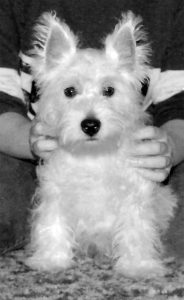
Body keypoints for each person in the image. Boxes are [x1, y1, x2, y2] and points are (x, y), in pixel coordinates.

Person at [0, 0, 184, 251]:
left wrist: (171, 145)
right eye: (72, 91)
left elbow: (179, 104)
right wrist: (29, 140)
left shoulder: (170, 7)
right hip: (24, 146)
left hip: (148, 153)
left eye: (108, 90)